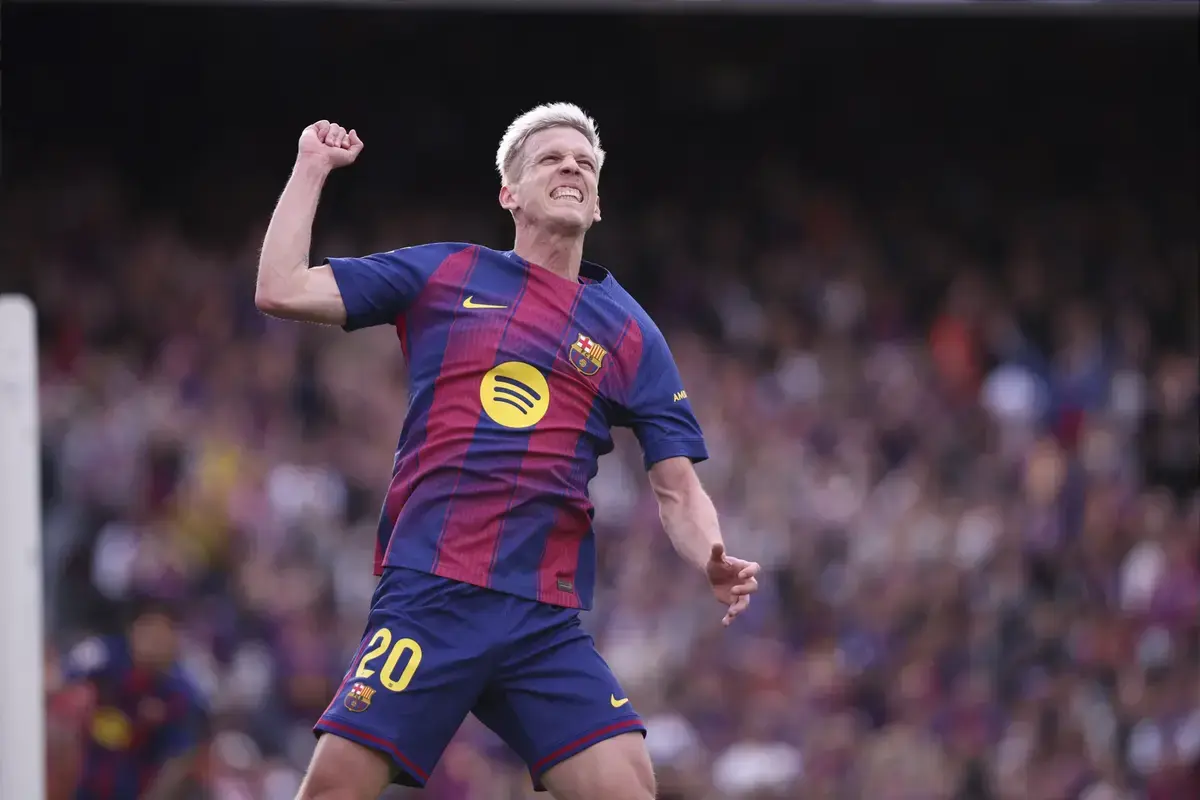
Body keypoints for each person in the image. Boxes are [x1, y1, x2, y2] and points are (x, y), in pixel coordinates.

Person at [255, 103, 761, 800]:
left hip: (540, 618)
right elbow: (280, 288)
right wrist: (311, 167)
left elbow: (678, 487)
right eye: (551, 158)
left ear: (597, 204)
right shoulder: (446, 273)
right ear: (509, 193)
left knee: (628, 784)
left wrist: (711, 554)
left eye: (585, 163)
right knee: (336, 787)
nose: (572, 168)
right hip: (433, 592)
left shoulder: (631, 333)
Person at [59, 599, 207, 800]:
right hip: (79, 782)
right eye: (147, 629)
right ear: (132, 631)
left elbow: (177, 762)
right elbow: (58, 681)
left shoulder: (181, 695)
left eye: (161, 634)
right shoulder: (101, 656)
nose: (152, 641)